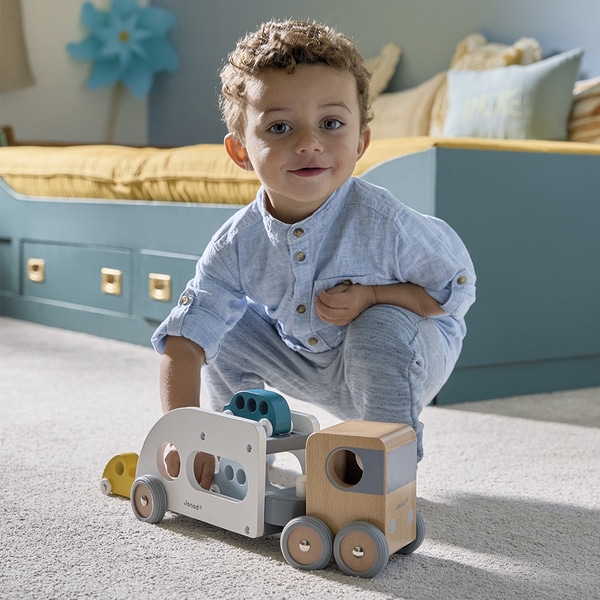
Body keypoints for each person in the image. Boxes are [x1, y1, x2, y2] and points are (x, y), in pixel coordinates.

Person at [152, 19, 476, 488]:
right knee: (223, 326)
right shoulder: (236, 244)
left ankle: (379, 475)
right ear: (241, 151)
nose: (308, 143)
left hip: (408, 357)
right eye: (280, 127)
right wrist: (180, 434)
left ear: (361, 141)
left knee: (379, 325)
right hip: (310, 360)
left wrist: (375, 296)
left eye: (331, 123)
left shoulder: (386, 224)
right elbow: (184, 340)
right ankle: (242, 448)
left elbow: (454, 290)